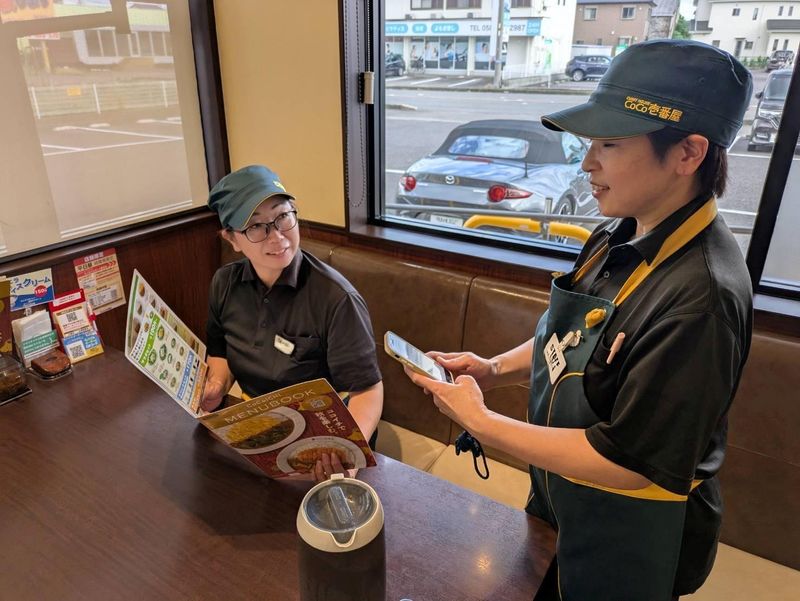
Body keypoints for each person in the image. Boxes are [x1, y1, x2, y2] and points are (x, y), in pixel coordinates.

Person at [402, 40, 752, 601]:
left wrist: (484, 422)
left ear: (688, 152)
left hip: (634, 529)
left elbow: (631, 463)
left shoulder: (702, 299)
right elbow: (566, 337)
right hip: (561, 495)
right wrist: (492, 370)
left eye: (610, 144)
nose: (588, 163)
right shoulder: (619, 229)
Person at [203, 165, 383, 481]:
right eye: (255, 227)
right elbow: (219, 351)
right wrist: (216, 386)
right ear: (232, 239)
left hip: (323, 444)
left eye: (282, 217)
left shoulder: (336, 298)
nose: (277, 236)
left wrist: (346, 452)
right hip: (258, 433)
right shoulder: (224, 284)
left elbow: (367, 389)